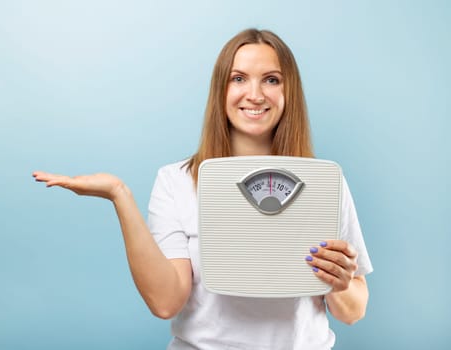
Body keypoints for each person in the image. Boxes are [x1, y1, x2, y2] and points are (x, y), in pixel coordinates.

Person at [33, 28, 373, 349]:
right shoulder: (176, 181)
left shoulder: (325, 183)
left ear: (289, 93)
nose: (254, 94)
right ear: (220, 91)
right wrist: (119, 194)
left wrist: (338, 284)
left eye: (271, 80)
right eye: (238, 79)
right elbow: (166, 302)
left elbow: (353, 312)